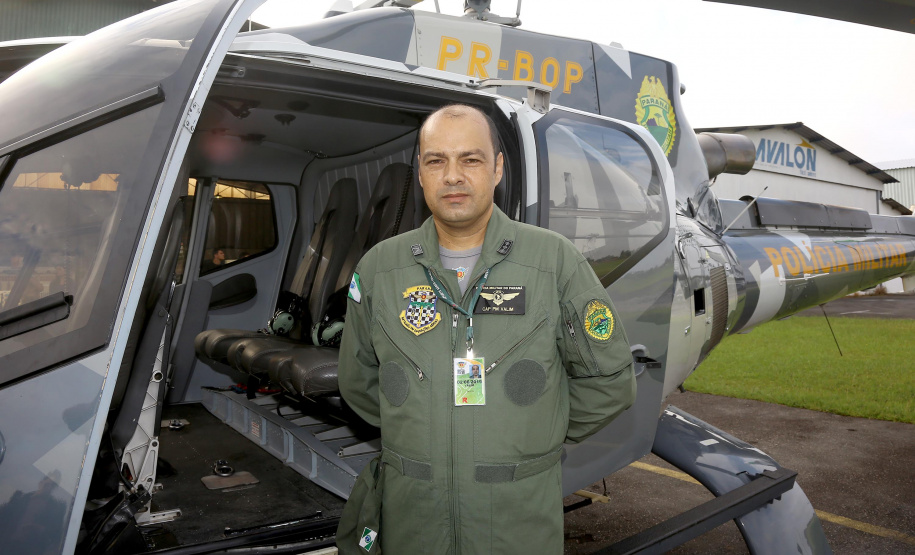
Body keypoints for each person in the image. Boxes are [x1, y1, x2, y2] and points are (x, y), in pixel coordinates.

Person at [338, 104, 636, 554]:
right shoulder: (381, 268)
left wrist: (532, 434)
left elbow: (610, 381)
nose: (452, 176)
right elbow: (359, 382)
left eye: (470, 159)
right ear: (420, 173)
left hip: (516, 523)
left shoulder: (553, 262)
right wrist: (429, 435)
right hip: (414, 521)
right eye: (436, 160)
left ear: (497, 168)